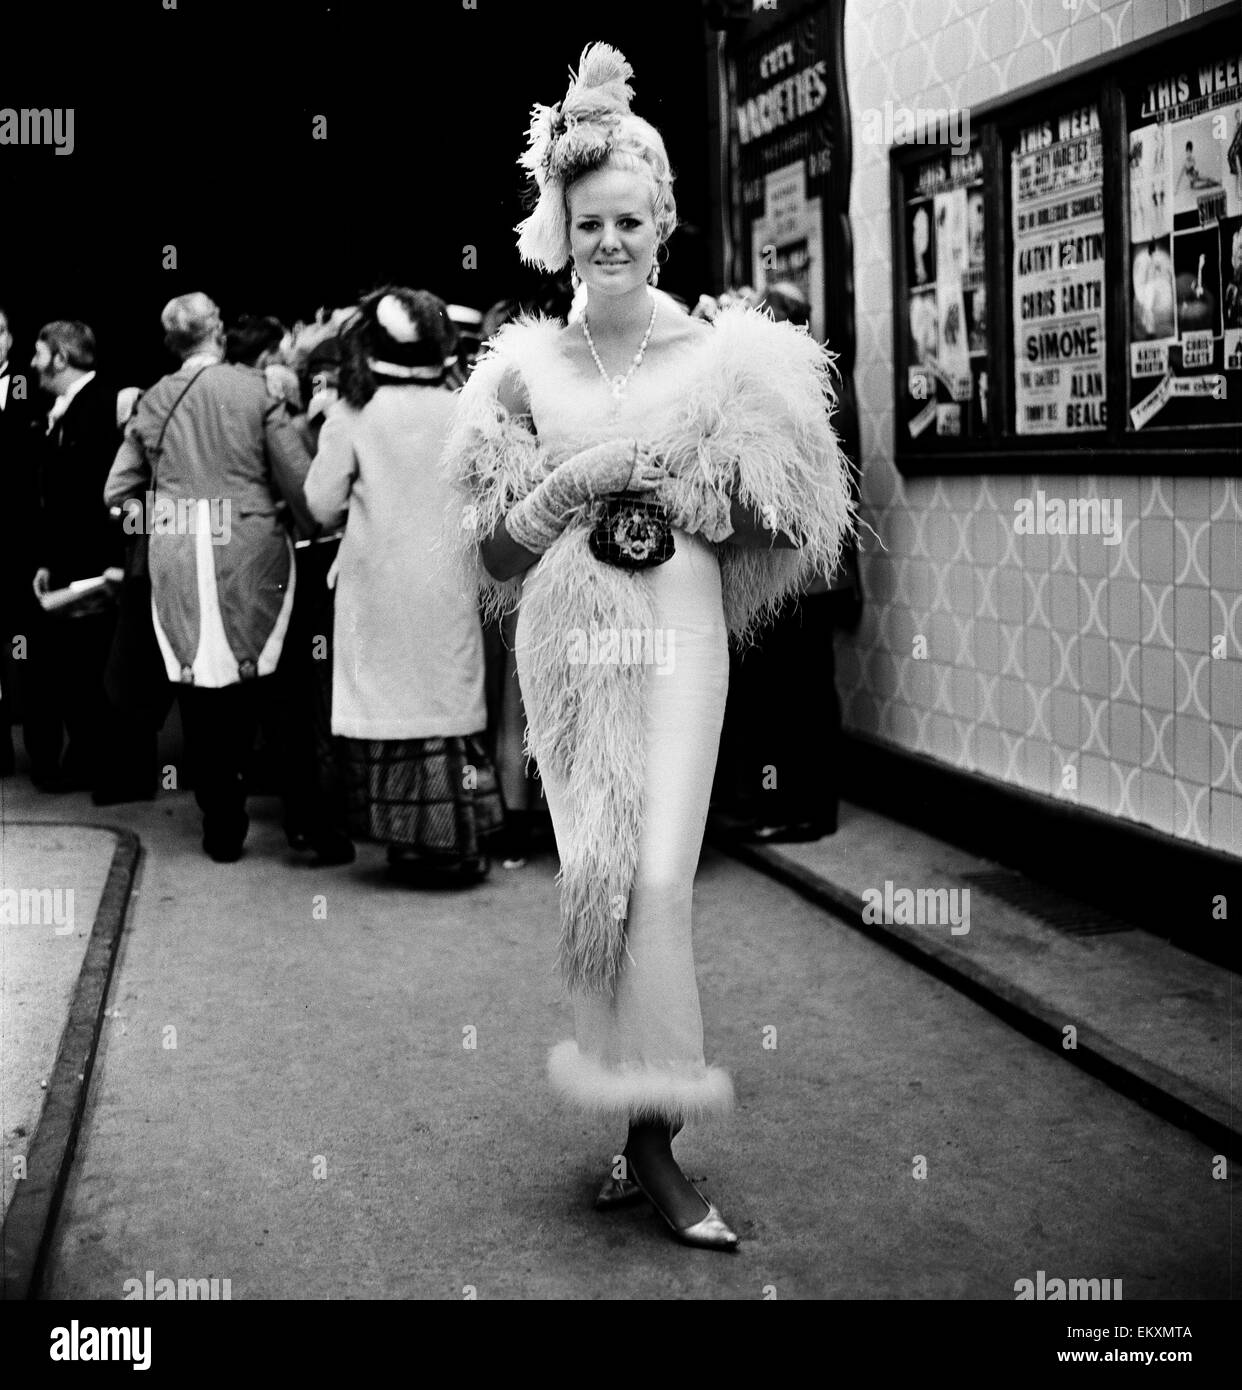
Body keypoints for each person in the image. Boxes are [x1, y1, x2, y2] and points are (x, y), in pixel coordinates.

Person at [443, 45, 853, 1251]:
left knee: (664, 880)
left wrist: (698, 501)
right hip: (568, 663)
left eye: (630, 219)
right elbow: (492, 561)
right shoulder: (519, 370)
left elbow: (792, 525)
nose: (609, 239)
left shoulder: (725, 357)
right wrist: (577, 479)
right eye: (589, 222)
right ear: (558, 228)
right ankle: (629, 1128)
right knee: (599, 887)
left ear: (666, 222)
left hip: (679, 646)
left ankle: (664, 1143)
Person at [104, 292, 316, 861]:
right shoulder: (255, 391)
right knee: (280, 688)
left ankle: (222, 828)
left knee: (200, 697)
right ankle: (304, 822)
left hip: (177, 556)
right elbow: (302, 488)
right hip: (252, 550)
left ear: (172, 343)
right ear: (218, 331)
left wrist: (169, 518)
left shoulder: (151, 401)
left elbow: (117, 494)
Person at [305, 287, 502, 883]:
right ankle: (458, 838)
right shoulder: (465, 410)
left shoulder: (353, 414)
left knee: (395, 716)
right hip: (449, 582)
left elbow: (320, 503)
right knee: (446, 711)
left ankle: (412, 841)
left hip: (379, 590)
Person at [24, 320, 132, 798]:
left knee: (96, 668)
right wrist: (49, 558)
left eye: (38, 353)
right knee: (74, 668)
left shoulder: (108, 404)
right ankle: (86, 760)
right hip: (68, 559)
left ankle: (108, 769)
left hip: (100, 558)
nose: (32, 363)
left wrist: (119, 557)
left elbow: (125, 487)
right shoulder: (58, 412)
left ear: (61, 359)